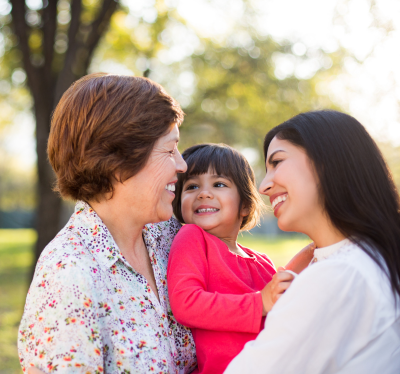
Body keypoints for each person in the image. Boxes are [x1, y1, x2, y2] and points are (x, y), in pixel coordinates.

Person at [18, 73, 197, 374]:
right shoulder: (68, 274)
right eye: (168, 150)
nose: (182, 165)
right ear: (119, 160)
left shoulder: (171, 238)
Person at [225, 110, 400, 374]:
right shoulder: (371, 257)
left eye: (277, 162)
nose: (263, 186)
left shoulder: (339, 275)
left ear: (328, 162)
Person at [167, 144, 313, 374]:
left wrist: (314, 249)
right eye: (192, 186)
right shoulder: (193, 238)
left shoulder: (261, 259)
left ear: (244, 205)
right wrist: (259, 304)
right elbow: (186, 304)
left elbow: (279, 289)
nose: (203, 193)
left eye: (219, 184)